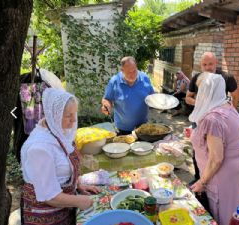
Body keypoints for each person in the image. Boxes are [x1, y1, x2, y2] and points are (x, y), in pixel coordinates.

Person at [21, 88, 99, 225]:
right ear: (54, 115)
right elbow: (49, 195)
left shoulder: (58, 131)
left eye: (75, 113)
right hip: (44, 215)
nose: (74, 120)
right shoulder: (39, 148)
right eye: (69, 115)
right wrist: (79, 201)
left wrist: (78, 185)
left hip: (63, 207)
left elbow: (63, 168)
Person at [189, 73, 239, 225]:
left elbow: (216, 158)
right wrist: (195, 134)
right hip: (234, 171)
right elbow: (223, 137)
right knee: (233, 213)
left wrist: (202, 181)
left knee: (221, 215)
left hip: (220, 177)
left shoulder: (212, 118)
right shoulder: (228, 106)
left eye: (201, 90)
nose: (199, 93)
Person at [185, 52, 239, 183]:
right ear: (201, 65)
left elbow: (236, 95)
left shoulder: (226, 77)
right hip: (200, 120)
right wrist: (201, 104)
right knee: (198, 148)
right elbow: (188, 97)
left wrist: (229, 113)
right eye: (204, 64)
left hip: (218, 121)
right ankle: (199, 176)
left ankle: (213, 179)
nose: (208, 67)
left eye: (210, 64)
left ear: (216, 63)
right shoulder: (197, 78)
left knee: (216, 152)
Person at [101, 56, 154, 135]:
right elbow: (107, 99)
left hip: (143, 127)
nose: (132, 75)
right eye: (129, 72)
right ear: (122, 70)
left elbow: (152, 96)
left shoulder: (145, 78)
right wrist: (106, 106)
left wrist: (159, 102)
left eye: (134, 71)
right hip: (122, 129)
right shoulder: (114, 81)